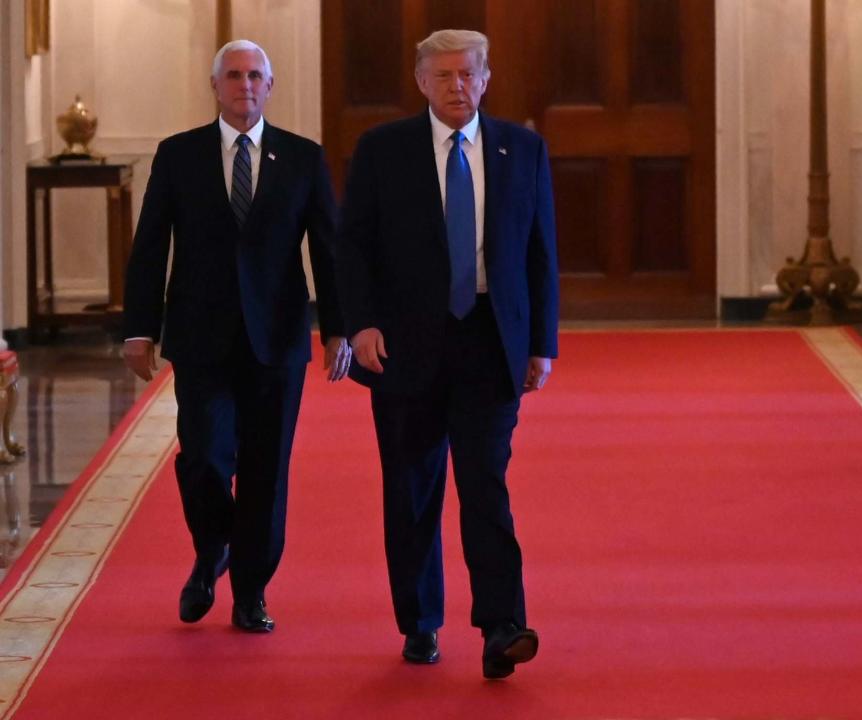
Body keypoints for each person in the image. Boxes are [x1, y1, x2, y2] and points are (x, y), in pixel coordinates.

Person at [337, 29, 559, 679]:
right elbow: (353, 248)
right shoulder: (383, 151)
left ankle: (502, 626)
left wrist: (541, 344)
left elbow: (541, 253)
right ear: (421, 82)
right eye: (443, 76)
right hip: (403, 348)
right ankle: (420, 621)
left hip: (491, 342)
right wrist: (361, 325)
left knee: (485, 484)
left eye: (468, 74)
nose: (457, 86)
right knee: (412, 491)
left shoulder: (523, 149)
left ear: (486, 79)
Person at [122, 39, 350, 633]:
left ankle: (250, 592)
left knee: (266, 469)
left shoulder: (302, 158)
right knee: (203, 457)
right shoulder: (179, 155)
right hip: (200, 336)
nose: (244, 84)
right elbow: (150, 246)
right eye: (233, 75)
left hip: (277, 338)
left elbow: (328, 249)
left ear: (269, 87)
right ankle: (213, 547)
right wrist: (139, 328)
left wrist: (338, 328)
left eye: (254, 75)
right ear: (215, 86)